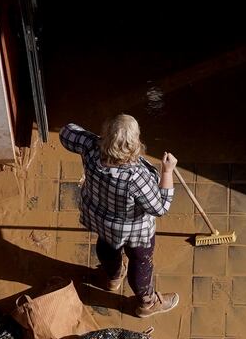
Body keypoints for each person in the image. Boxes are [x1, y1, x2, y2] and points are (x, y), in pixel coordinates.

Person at [59, 115, 179, 318]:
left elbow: (66, 132)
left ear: (105, 133)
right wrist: (167, 172)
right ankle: (147, 303)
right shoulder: (136, 177)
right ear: (135, 144)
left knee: (107, 246)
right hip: (134, 229)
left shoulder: (91, 147)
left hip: (101, 219)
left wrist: (102, 140)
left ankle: (112, 278)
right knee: (141, 260)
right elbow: (159, 208)